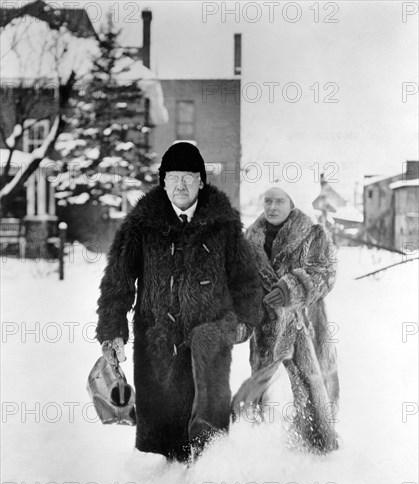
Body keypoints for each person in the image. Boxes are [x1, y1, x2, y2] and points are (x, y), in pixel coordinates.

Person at [96, 142, 262, 462]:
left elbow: (246, 280)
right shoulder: (141, 224)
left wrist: (243, 324)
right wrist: (112, 331)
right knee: (162, 446)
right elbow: (117, 282)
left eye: (188, 177)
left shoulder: (223, 225)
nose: (181, 185)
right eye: (173, 177)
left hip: (209, 343)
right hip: (156, 345)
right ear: (163, 181)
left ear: (201, 181)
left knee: (208, 441)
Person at [232, 186, 339, 452]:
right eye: (267, 200)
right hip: (267, 325)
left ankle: (318, 445)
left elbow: (326, 273)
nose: (272, 207)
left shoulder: (313, 233)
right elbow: (242, 282)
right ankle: (258, 446)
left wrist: (291, 288)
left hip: (304, 323)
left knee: (312, 384)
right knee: (261, 384)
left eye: (279, 201)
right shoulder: (250, 239)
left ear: (293, 202)